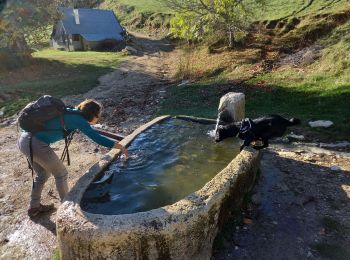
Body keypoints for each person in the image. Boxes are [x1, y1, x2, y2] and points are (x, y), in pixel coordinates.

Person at [17, 99, 128, 217]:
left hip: (24, 140)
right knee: (61, 174)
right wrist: (120, 147)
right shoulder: (79, 120)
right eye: (98, 115)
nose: (99, 117)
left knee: (42, 175)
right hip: (36, 144)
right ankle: (67, 210)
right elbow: (97, 138)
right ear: (93, 114)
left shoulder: (72, 112)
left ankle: (34, 207)